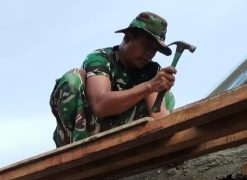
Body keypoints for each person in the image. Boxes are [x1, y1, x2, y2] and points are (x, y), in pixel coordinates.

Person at [49, 11, 177, 147]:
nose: (149, 54)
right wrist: (149, 86)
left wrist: (157, 86)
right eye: (146, 45)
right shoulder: (101, 59)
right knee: (73, 79)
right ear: (128, 37)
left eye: (154, 50)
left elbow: (159, 118)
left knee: (166, 93)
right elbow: (100, 105)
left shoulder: (150, 70)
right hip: (87, 135)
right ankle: (75, 152)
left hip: (122, 139)